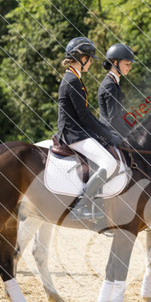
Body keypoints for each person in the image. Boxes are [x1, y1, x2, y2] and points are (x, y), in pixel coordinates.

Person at [57, 37, 127, 222]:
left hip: (77, 130)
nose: (90, 63)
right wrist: (107, 133)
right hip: (72, 133)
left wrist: (106, 132)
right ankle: (81, 206)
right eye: (89, 59)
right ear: (82, 58)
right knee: (109, 163)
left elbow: (86, 116)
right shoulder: (72, 80)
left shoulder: (74, 78)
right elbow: (84, 116)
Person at [98, 43, 134, 137]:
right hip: (109, 134)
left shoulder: (114, 82)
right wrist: (130, 135)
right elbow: (113, 119)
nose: (129, 67)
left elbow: (120, 114)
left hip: (114, 131)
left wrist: (134, 130)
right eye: (127, 64)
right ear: (115, 63)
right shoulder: (110, 85)